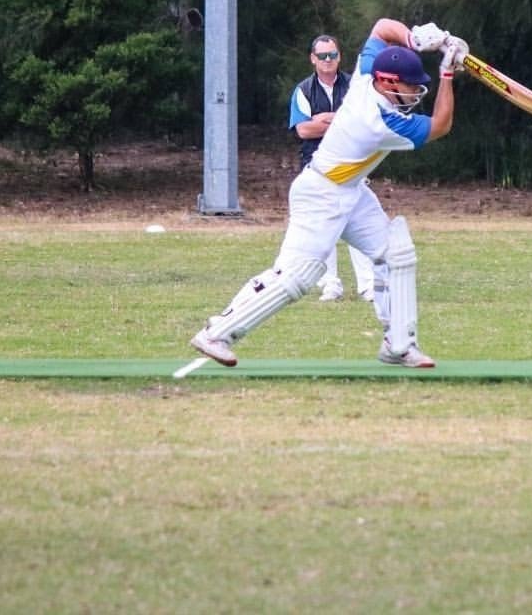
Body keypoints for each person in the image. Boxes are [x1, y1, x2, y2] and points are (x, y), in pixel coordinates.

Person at [191, 18, 468, 368]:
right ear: (387, 82)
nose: (416, 93)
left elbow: (382, 27)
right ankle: (216, 333)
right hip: (320, 193)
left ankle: (398, 344)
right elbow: (441, 125)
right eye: (411, 86)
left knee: (395, 255)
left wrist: (418, 40)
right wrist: (447, 74)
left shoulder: (366, 74)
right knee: (297, 275)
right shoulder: (379, 122)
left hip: (350, 190)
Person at [288, 34, 374, 303]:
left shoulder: (354, 85)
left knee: (357, 222)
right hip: (315, 167)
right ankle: (330, 284)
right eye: (323, 56)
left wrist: (325, 119)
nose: (328, 60)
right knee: (323, 226)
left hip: (352, 165)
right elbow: (303, 130)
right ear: (313, 59)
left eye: (332, 55)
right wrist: (342, 120)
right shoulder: (303, 90)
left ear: (339, 57)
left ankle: (368, 285)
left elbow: (362, 121)